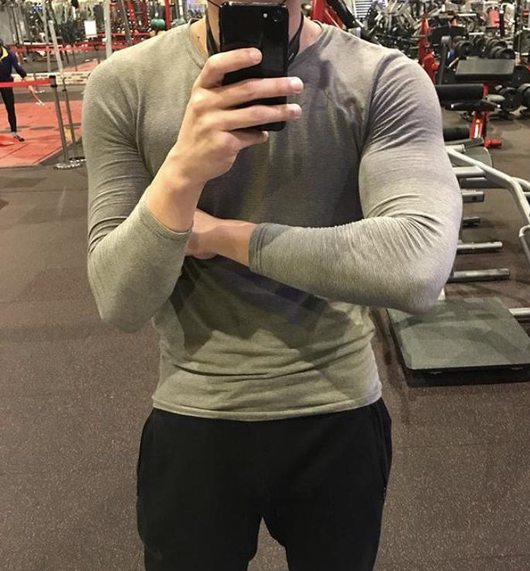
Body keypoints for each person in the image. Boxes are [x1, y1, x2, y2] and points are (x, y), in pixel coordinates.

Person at [83, 1, 462, 569]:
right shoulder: (124, 83)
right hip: (197, 411)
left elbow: (416, 267)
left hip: (337, 409)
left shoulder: (383, 77)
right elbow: (120, 300)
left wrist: (223, 235)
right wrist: (183, 171)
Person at [0, 37, 28, 142]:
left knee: (10, 107)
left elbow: (17, 67)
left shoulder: (9, 54)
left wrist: (25, 78)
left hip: (6, 82)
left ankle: (14, 132)